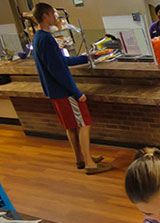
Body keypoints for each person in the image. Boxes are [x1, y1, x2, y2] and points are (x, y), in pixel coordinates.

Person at [31, 3, 112, 175]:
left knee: (71, 126)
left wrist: (87, 57)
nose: (56, 17)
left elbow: (62, 62)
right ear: (45, 15)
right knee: (85, 123)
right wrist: (76, 92)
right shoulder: (46, 39)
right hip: (63, 92)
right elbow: (59, 70)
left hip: (55, 91)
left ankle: (80, 158)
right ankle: (90, 163)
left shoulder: (38, 37)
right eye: (53, 14)